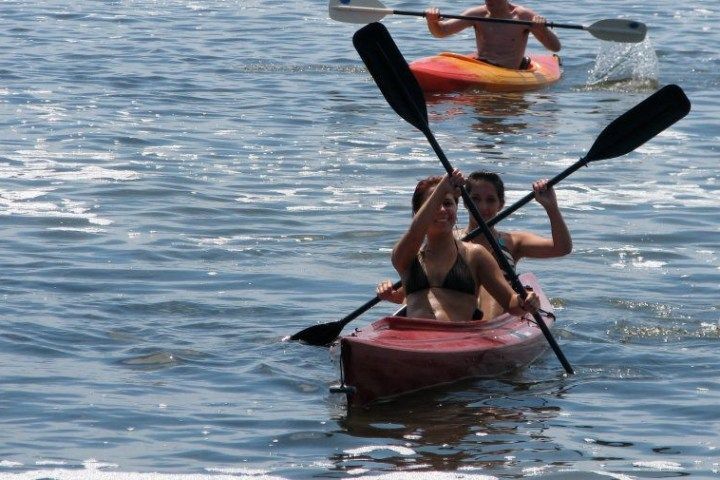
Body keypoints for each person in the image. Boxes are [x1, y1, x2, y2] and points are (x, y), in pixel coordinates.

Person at [378, 171, 571, 320]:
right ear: (467, 204)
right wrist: (393, 294)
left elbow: (562, 248)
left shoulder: (493, 248)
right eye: (476, 200)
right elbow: (422, 284)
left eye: (490, 200)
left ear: (501, 204)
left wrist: (551, 206)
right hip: (420, 330)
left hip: (485, 320)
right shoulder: (414, 251)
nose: (483, 207)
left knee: (486, 292)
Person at [425, 0, 561, 70]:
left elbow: (555, 47)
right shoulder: (476, 14)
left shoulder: (523, 16)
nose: (489, 1)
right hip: (482, 67)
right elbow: (441, 32)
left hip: (509, 72)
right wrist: (432, 21)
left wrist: (543, 30)